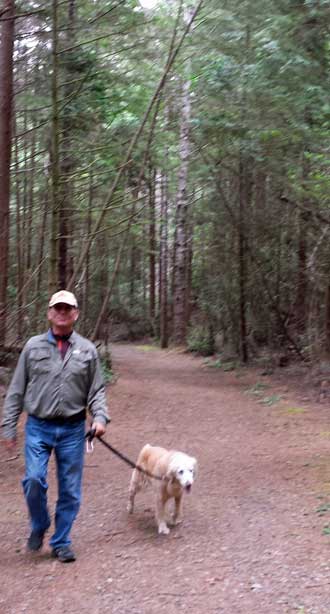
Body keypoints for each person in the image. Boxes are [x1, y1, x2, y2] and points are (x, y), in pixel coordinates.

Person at [1, 290, 110, 563]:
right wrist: (8, 427)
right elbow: (16, 390)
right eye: (57, 308)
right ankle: (39, 524)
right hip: (38, 426)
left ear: (76, 314)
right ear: (49, 313)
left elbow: (96, 390)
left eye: (67, 309)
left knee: (70, 489)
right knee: (34, 480)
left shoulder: (87, 350)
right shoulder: (32, 347)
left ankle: (61, 541)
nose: (62, 313)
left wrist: (99, 418)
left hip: (73, 429)